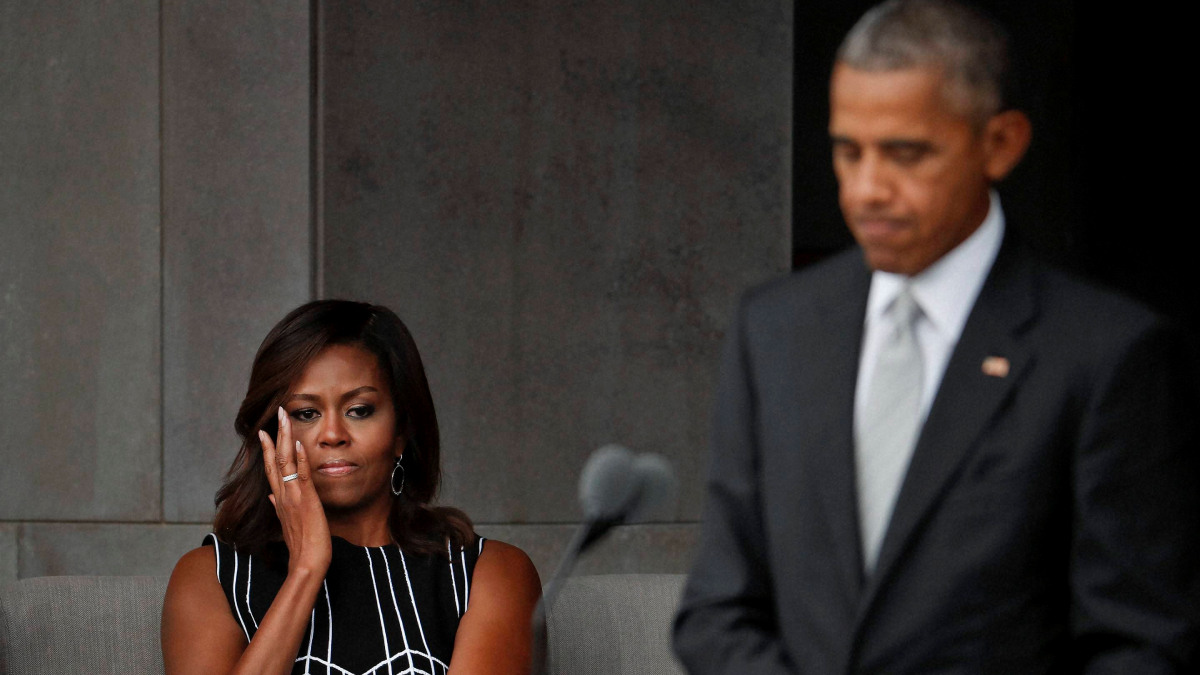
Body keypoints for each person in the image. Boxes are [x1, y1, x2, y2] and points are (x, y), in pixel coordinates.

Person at [673, 0, 1200, 672]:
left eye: (906, 153)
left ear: (1000, 144)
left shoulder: (1106, 353)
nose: (867, 189)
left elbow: (1140, 644)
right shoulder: (774, 327)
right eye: (848, 151)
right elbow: (715, 610)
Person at [162, 300, 541, 675]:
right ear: (272, 434)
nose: (332, 434)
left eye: (359, 410)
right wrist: (305, 571)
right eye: (306, 413)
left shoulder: (487, 573)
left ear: (401, 431)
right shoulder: (211, 578)